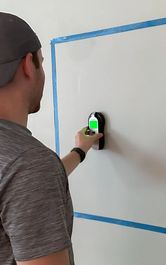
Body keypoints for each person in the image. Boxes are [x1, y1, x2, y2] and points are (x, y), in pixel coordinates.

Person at [0, 12, 103, 265]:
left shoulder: (24, 166)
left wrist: (80, 150)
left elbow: (18, 187)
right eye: (42, 62)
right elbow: (25, 176)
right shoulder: (28, 164)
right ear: (28, 65)